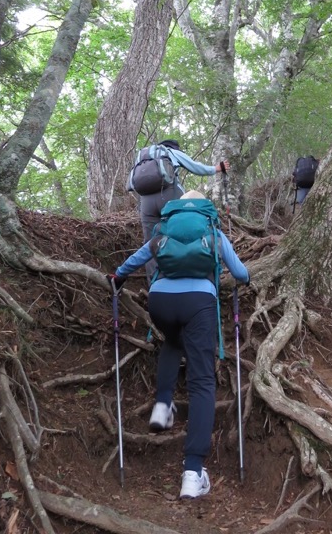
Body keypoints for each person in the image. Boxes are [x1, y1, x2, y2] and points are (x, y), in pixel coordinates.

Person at [107, 190, 249, 500]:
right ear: (204, 211)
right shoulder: (212, 231)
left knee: (173, 340)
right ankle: (192, 473)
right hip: (199, 303)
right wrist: (244, 276)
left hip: (160, 301)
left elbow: (136, 260)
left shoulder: (163, 230)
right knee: (201, 383)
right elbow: (240, 273)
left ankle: (162, 405)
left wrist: (118, 277)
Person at [130, 139, 230, 281]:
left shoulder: (142, 158)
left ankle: (154, 282)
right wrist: (215, 169)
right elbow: (195, 167)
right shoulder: (170, 152)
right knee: (179, 234)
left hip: (146, 202)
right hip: (170, 197)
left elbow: (131, 184)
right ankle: (182, 276)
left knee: (150, 242)